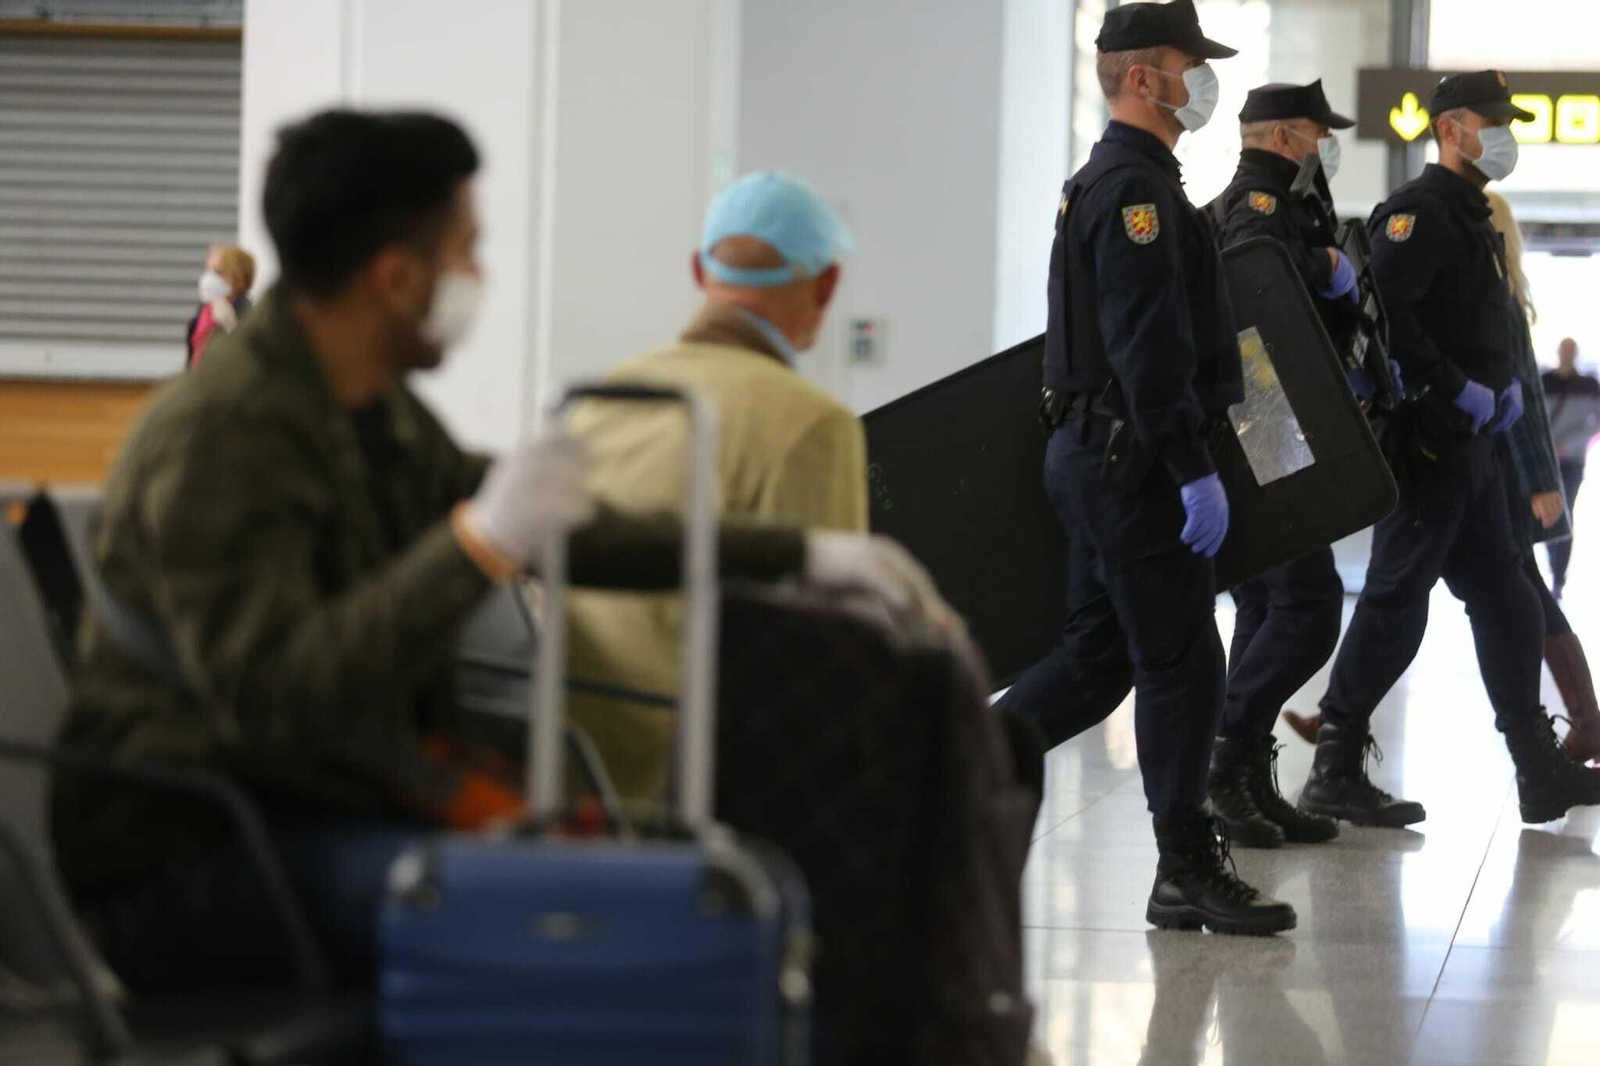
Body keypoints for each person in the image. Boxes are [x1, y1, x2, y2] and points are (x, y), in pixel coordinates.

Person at [49, 109, 954, 991]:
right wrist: (478, 542)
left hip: (322, 807)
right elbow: (281, 694)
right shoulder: (228, 435)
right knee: (599, 925)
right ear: (398, 278)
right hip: (194, 853)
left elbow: (570, 530)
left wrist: (796, 555)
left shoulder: (371, 408)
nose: (478, 276)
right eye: (466, 252)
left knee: (676, 894)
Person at [997, 0, 1295, 935]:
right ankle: (1184, 869)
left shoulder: (1124, 180)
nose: (1201, 80)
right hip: (1134, 460)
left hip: (1100, 455)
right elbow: (1146, 343)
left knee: (1095, 661)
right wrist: (1188, 463)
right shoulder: (1134, 192)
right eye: (1187, 62)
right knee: (1182, 663)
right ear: (1141, 78)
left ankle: (961, 757)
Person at [1294, 72, 1600, 829]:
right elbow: (1391, 321)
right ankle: (1333, 764)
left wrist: (1499, 401)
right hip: (1430, 447)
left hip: (1478, 455)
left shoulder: (1473, 219)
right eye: (1492, 121)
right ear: (1451, 127)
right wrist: (1458, 389)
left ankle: (1537, 772)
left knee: (1508, 606)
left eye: (1508, 121)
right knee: (1397, 604)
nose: (1505, 134)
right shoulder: (1417, 215)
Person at [564, 170, 869, 801]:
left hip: (573, 760)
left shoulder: (601, 398)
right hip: (705, 784)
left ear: (699, 274)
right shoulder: (814, 424)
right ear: (827, 283)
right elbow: (826, 649)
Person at [1203, 80, 1366, 849]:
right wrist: (1319, 258)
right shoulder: (1259, 202)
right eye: (1315, 132)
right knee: (1307, 605)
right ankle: (1222, 759)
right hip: (1266, 417)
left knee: (1270, 606)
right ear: (1280, 136)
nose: (1323, 144)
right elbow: (1251, 285)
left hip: (1265, 418)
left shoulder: (1285, 199)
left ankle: (1242, 779)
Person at [1543, 338, 1600, 598]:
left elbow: (1595, 424)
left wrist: (1568, 445)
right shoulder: (1544, 381)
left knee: (1564, 513)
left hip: (1571, 461)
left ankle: (1558, 576)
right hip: (1545, 459)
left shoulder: (1589, 386)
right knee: (1546, 512)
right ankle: (1551, 569)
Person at [186, 243, 256, 368]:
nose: (209, 278)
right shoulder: (204, 310)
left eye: (218, 272)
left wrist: (232, 327)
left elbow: (251, 361)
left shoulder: (248, 314)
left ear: (240, 279)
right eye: (208, 270)